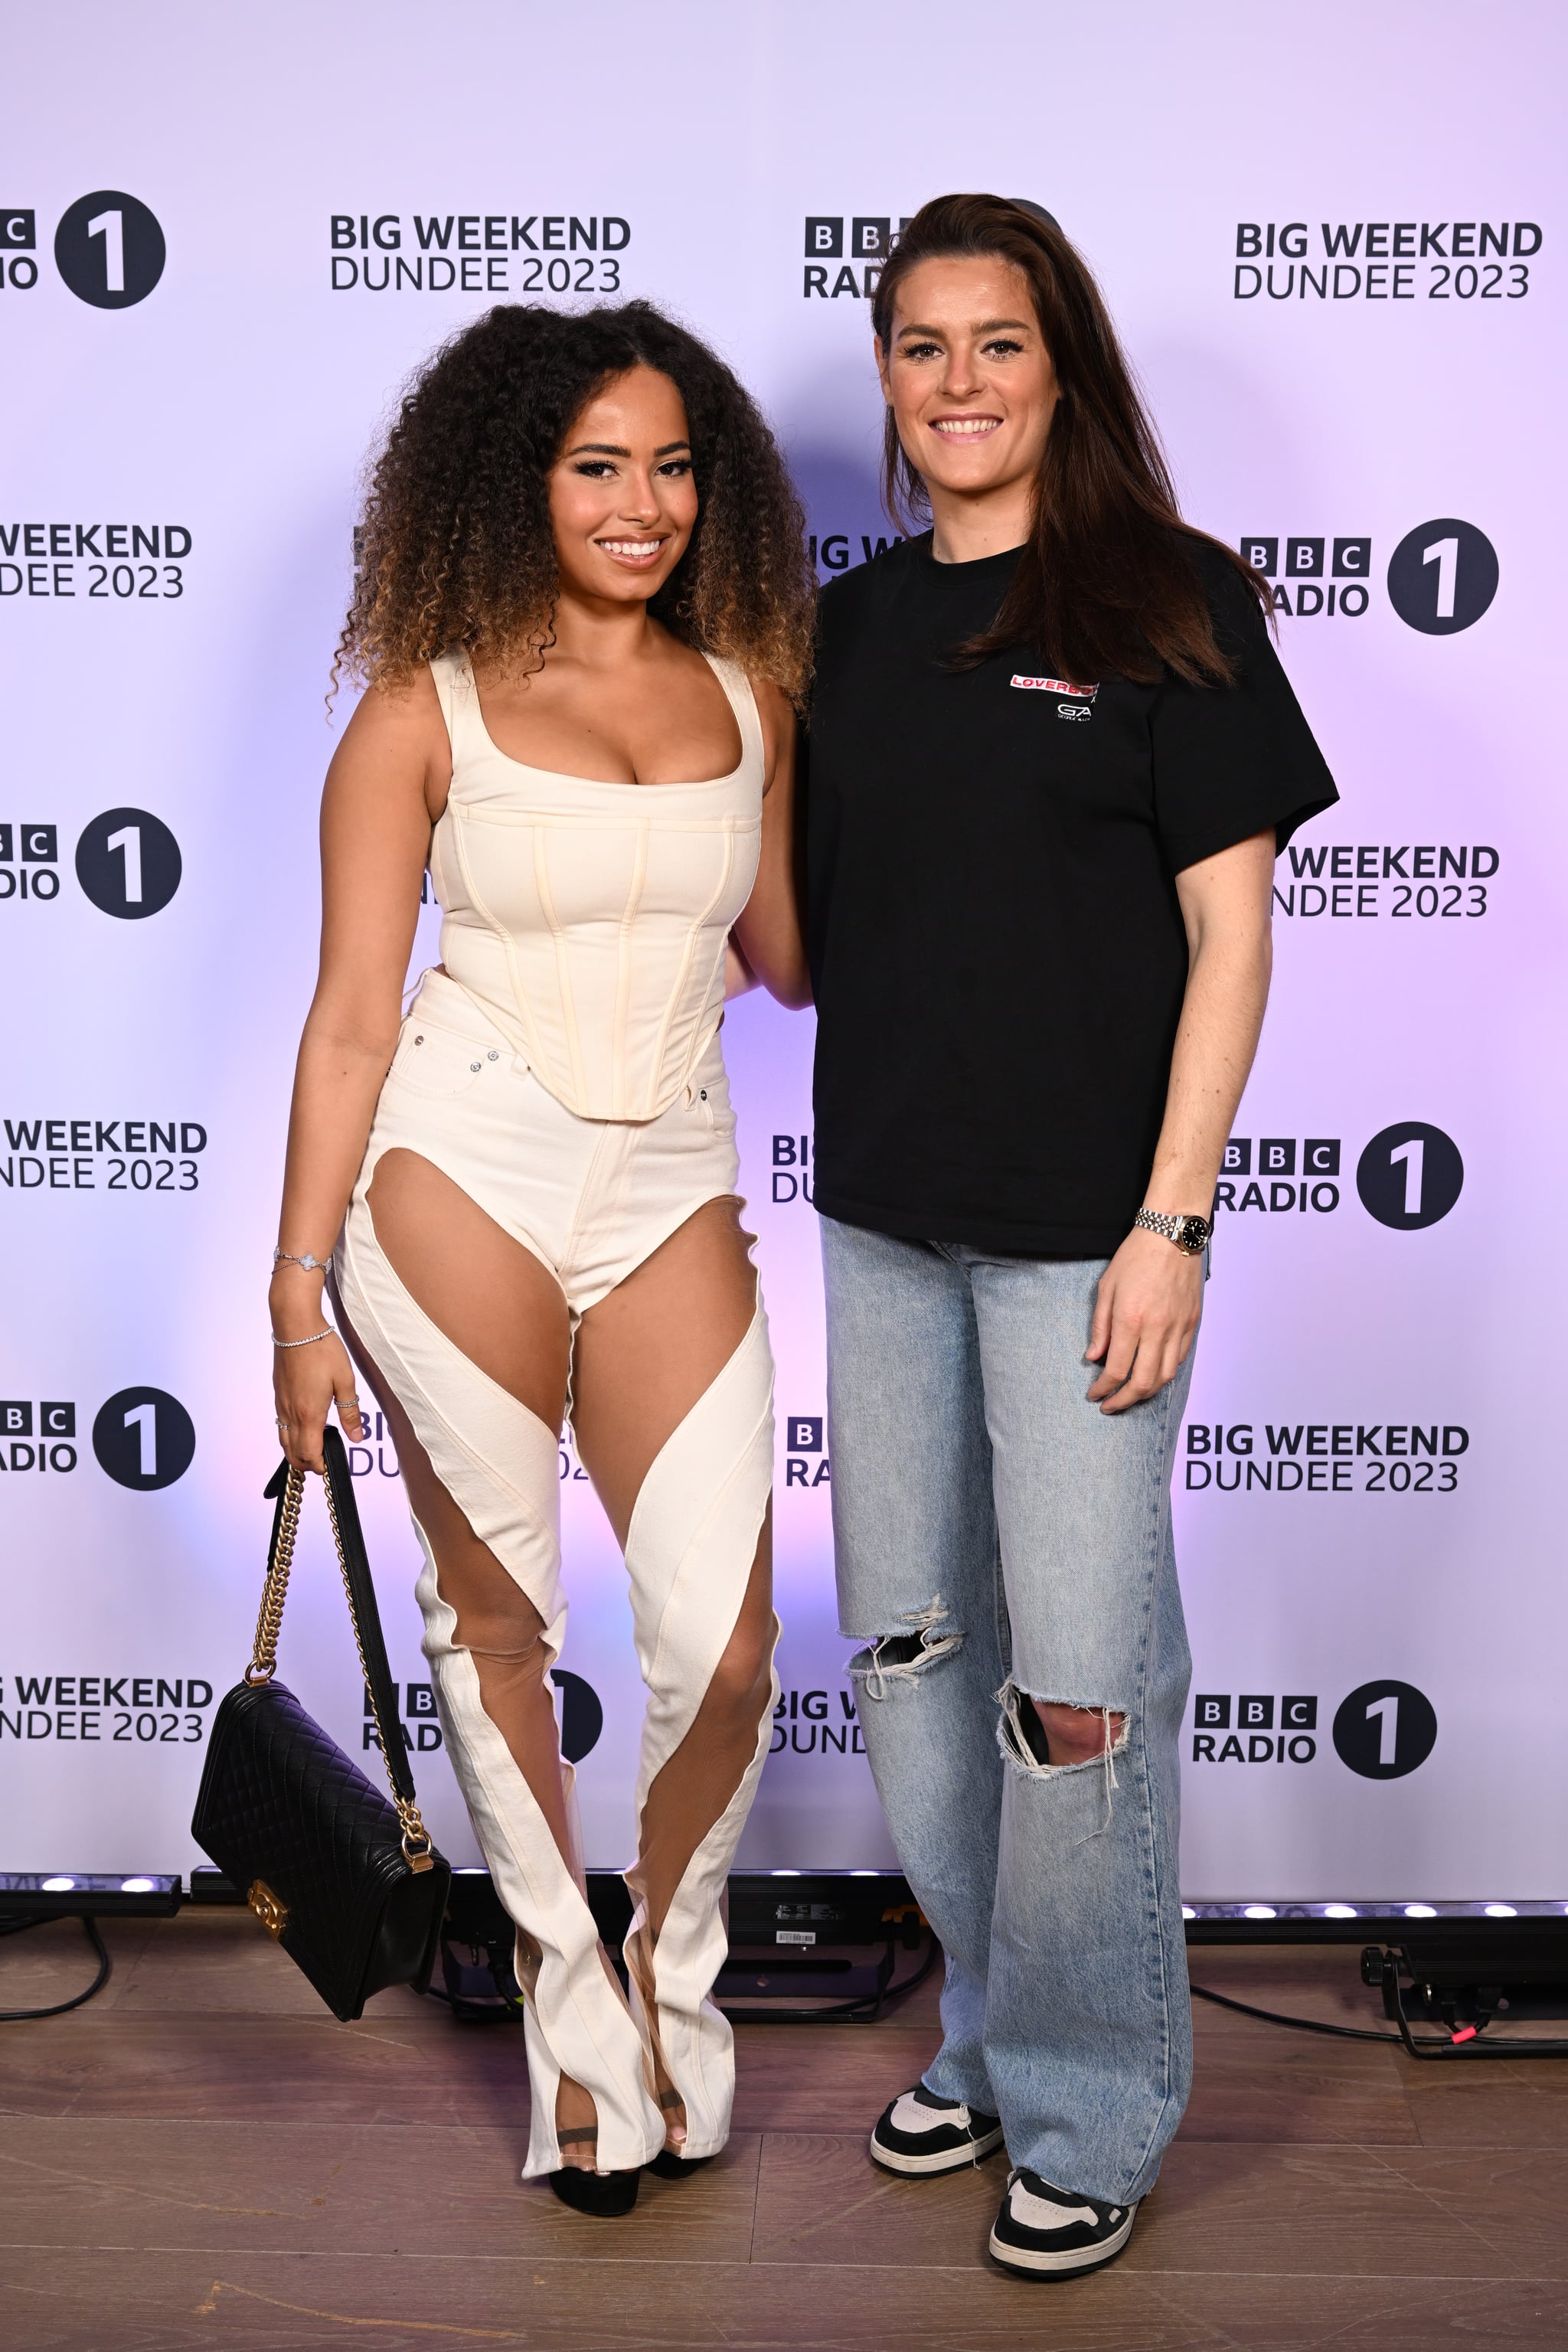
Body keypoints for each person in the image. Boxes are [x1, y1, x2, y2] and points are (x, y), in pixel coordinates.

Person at [805, 194, 1337, 2278]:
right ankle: (999, 2035)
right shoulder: (846, 631)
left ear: (1061, 363)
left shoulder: (1168, 601)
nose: (956, 384)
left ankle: (1100, 2104)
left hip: (1087, 1248)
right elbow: (807, 943)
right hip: (878, 1235)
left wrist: (1173, 1222)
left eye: (995, 343)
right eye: (920, 345)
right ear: (887, 376)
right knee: (924, 1663)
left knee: (1086, 1691)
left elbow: (1232, 935)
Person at [270, 301, 813, 2217]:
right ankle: (571, 2035)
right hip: (455, 1177)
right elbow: (349, 1018)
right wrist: (292, 1279)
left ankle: (670, 1987)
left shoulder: (750, 695)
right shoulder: (422, 710)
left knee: (727, 1649)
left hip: (669, 1177)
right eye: (600, 465)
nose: (644, 503)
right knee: (496, 1632)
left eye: (674, 466)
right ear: (520, 481)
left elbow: (801, 962)